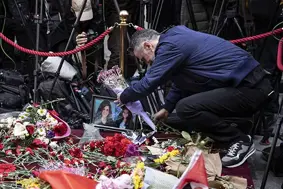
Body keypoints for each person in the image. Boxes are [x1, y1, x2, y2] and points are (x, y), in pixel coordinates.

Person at [116, 25, 273, 168]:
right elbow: (181, 81)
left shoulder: (169, 47)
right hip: (244, 85)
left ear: (148, 46)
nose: (147, 63)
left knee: (186, 108)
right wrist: (167, 107)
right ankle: (233, 128)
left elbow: (148, 83)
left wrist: (123, 96)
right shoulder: (175, 36)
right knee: (174, 118)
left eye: (144, 58)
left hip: (250, 88)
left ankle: (238, 140)